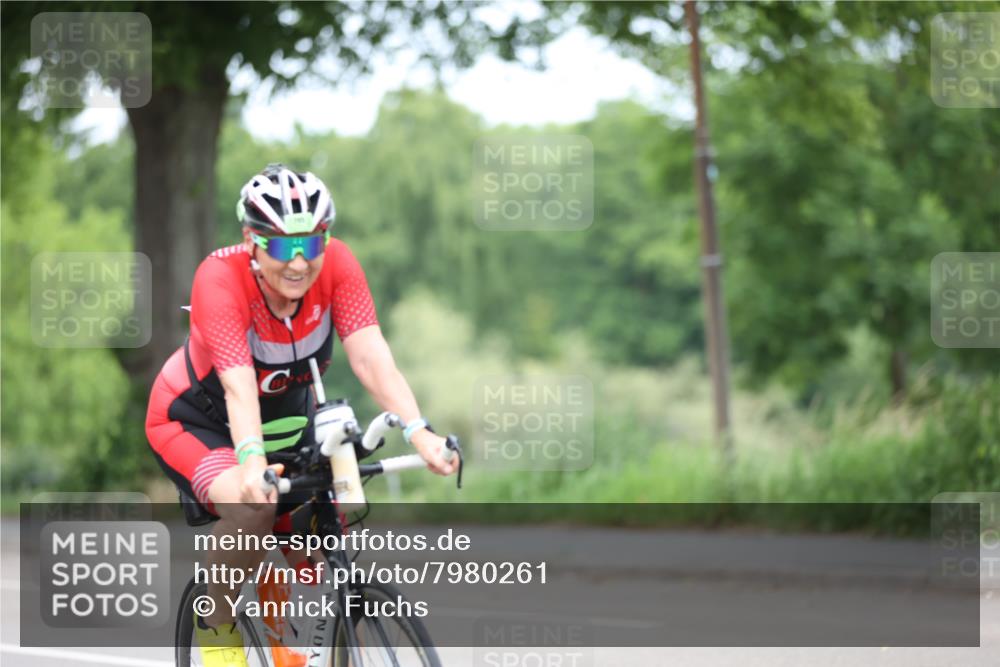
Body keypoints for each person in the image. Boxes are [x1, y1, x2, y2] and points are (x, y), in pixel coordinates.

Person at [146, 164, 455, 666]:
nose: (298, 263)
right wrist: (250, 465)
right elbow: (238, 387)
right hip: (195, 420)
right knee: (253, 509)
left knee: (318, 532)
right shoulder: (218, 280)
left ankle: (285, 642)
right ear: (251, 240)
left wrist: (420, 433)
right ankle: (218, 627)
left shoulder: (338, 266)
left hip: (287, 419)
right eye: (282, 247)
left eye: (310, 245)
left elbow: (371, 357)